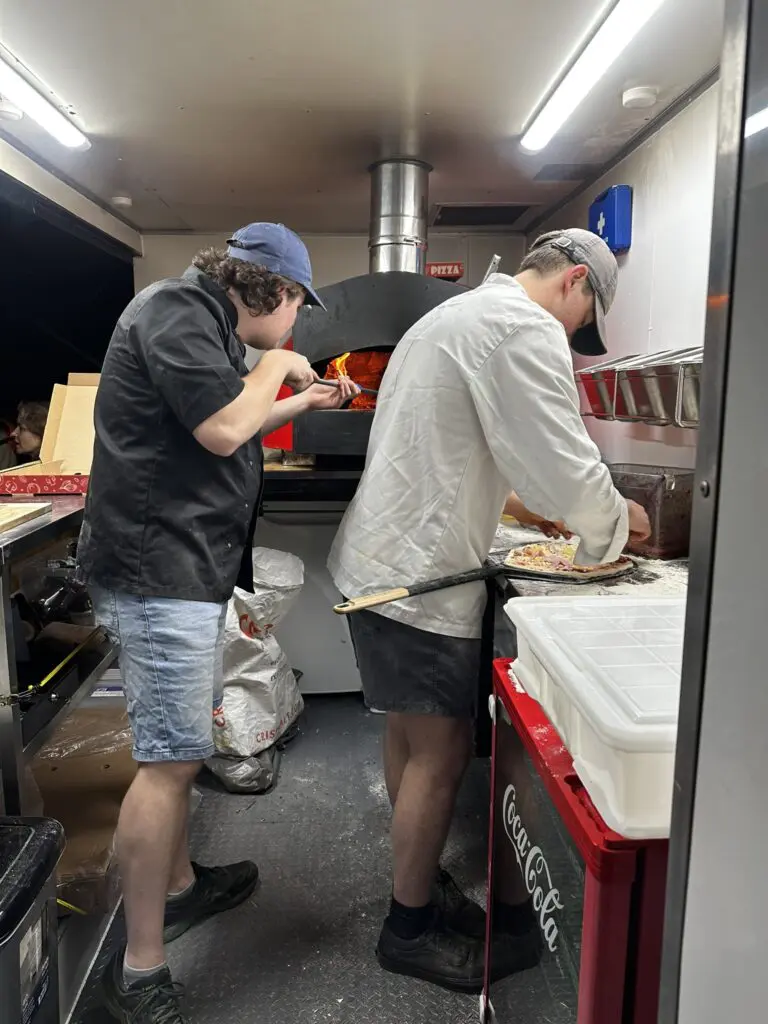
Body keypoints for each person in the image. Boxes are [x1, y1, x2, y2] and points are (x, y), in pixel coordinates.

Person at [328, 228, 652, 994]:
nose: (574, 336)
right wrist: (615, 523)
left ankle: (419, 878)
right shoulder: (522, 326)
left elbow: (463, 445)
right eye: (584, 320)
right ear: (575, 281)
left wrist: (536, 511)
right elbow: (560, 455)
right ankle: (406, 929)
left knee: (408, 737)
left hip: (381, 563)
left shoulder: (458, 314)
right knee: (440, 754)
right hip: (418, 575)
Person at [76, 223, 356, 1024]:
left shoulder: (203, 320)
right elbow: (224, 430)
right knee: (168, 762)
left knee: (181, 745)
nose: (298, 322)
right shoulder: (172, 310)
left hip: (182, 568)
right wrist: (274, 366)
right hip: (154, 570)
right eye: (298, 301)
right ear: (268, 285)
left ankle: (180, 889)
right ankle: (137, 973)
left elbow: (229, 420)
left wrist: (299, 397)